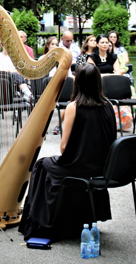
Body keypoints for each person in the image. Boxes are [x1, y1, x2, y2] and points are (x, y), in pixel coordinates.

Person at [18, 64, 117, 240]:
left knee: (42, 165)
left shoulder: (74, 107)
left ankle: (48, 222)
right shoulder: (108, 104)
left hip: (79, 167)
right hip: (103, 168)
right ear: (98, 82)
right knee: (50, 164)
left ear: (77, 82)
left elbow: (64, 148)